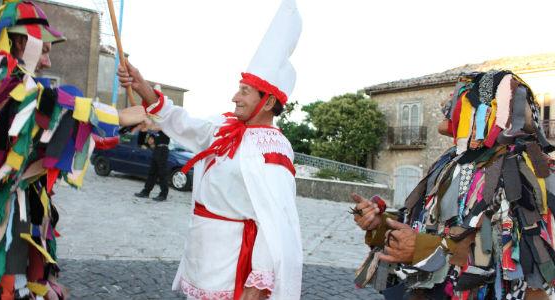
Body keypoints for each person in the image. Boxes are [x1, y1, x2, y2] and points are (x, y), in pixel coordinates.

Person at [118, 0, 303, 298]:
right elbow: (183, 122)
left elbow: (274, 224)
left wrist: (256, 287)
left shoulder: (274, 149)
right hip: (202, 254)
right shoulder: (224, 126)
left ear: (268, 101)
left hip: (232, 264)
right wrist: (143, 87)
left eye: (244, 91)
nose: (234, 97)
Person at [0, 1, 119, 298]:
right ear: (20, 41)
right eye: (44, 50)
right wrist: (122, 117)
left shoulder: (9, 81)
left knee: (9, 279)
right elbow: (50, 105)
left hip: (12, 211)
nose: (47, 62)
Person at [352, 71, 555, 299]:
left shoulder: (528, 168)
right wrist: (380, 223)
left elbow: (514, 256)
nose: (445, 103)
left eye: (461, 96)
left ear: (488, 111)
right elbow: (423, 225)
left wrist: (424, 248)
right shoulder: (448, 162)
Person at [135, 130, 170, 201]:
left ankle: (163, 194)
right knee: (152, 172)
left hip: (163, 150)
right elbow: (152, 138)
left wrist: (153, 139)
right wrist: (148, 142)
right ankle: (146, 191)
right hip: (156, 149)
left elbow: (161, 137)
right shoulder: (156, 129)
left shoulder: (165, 126)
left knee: (162, 173)